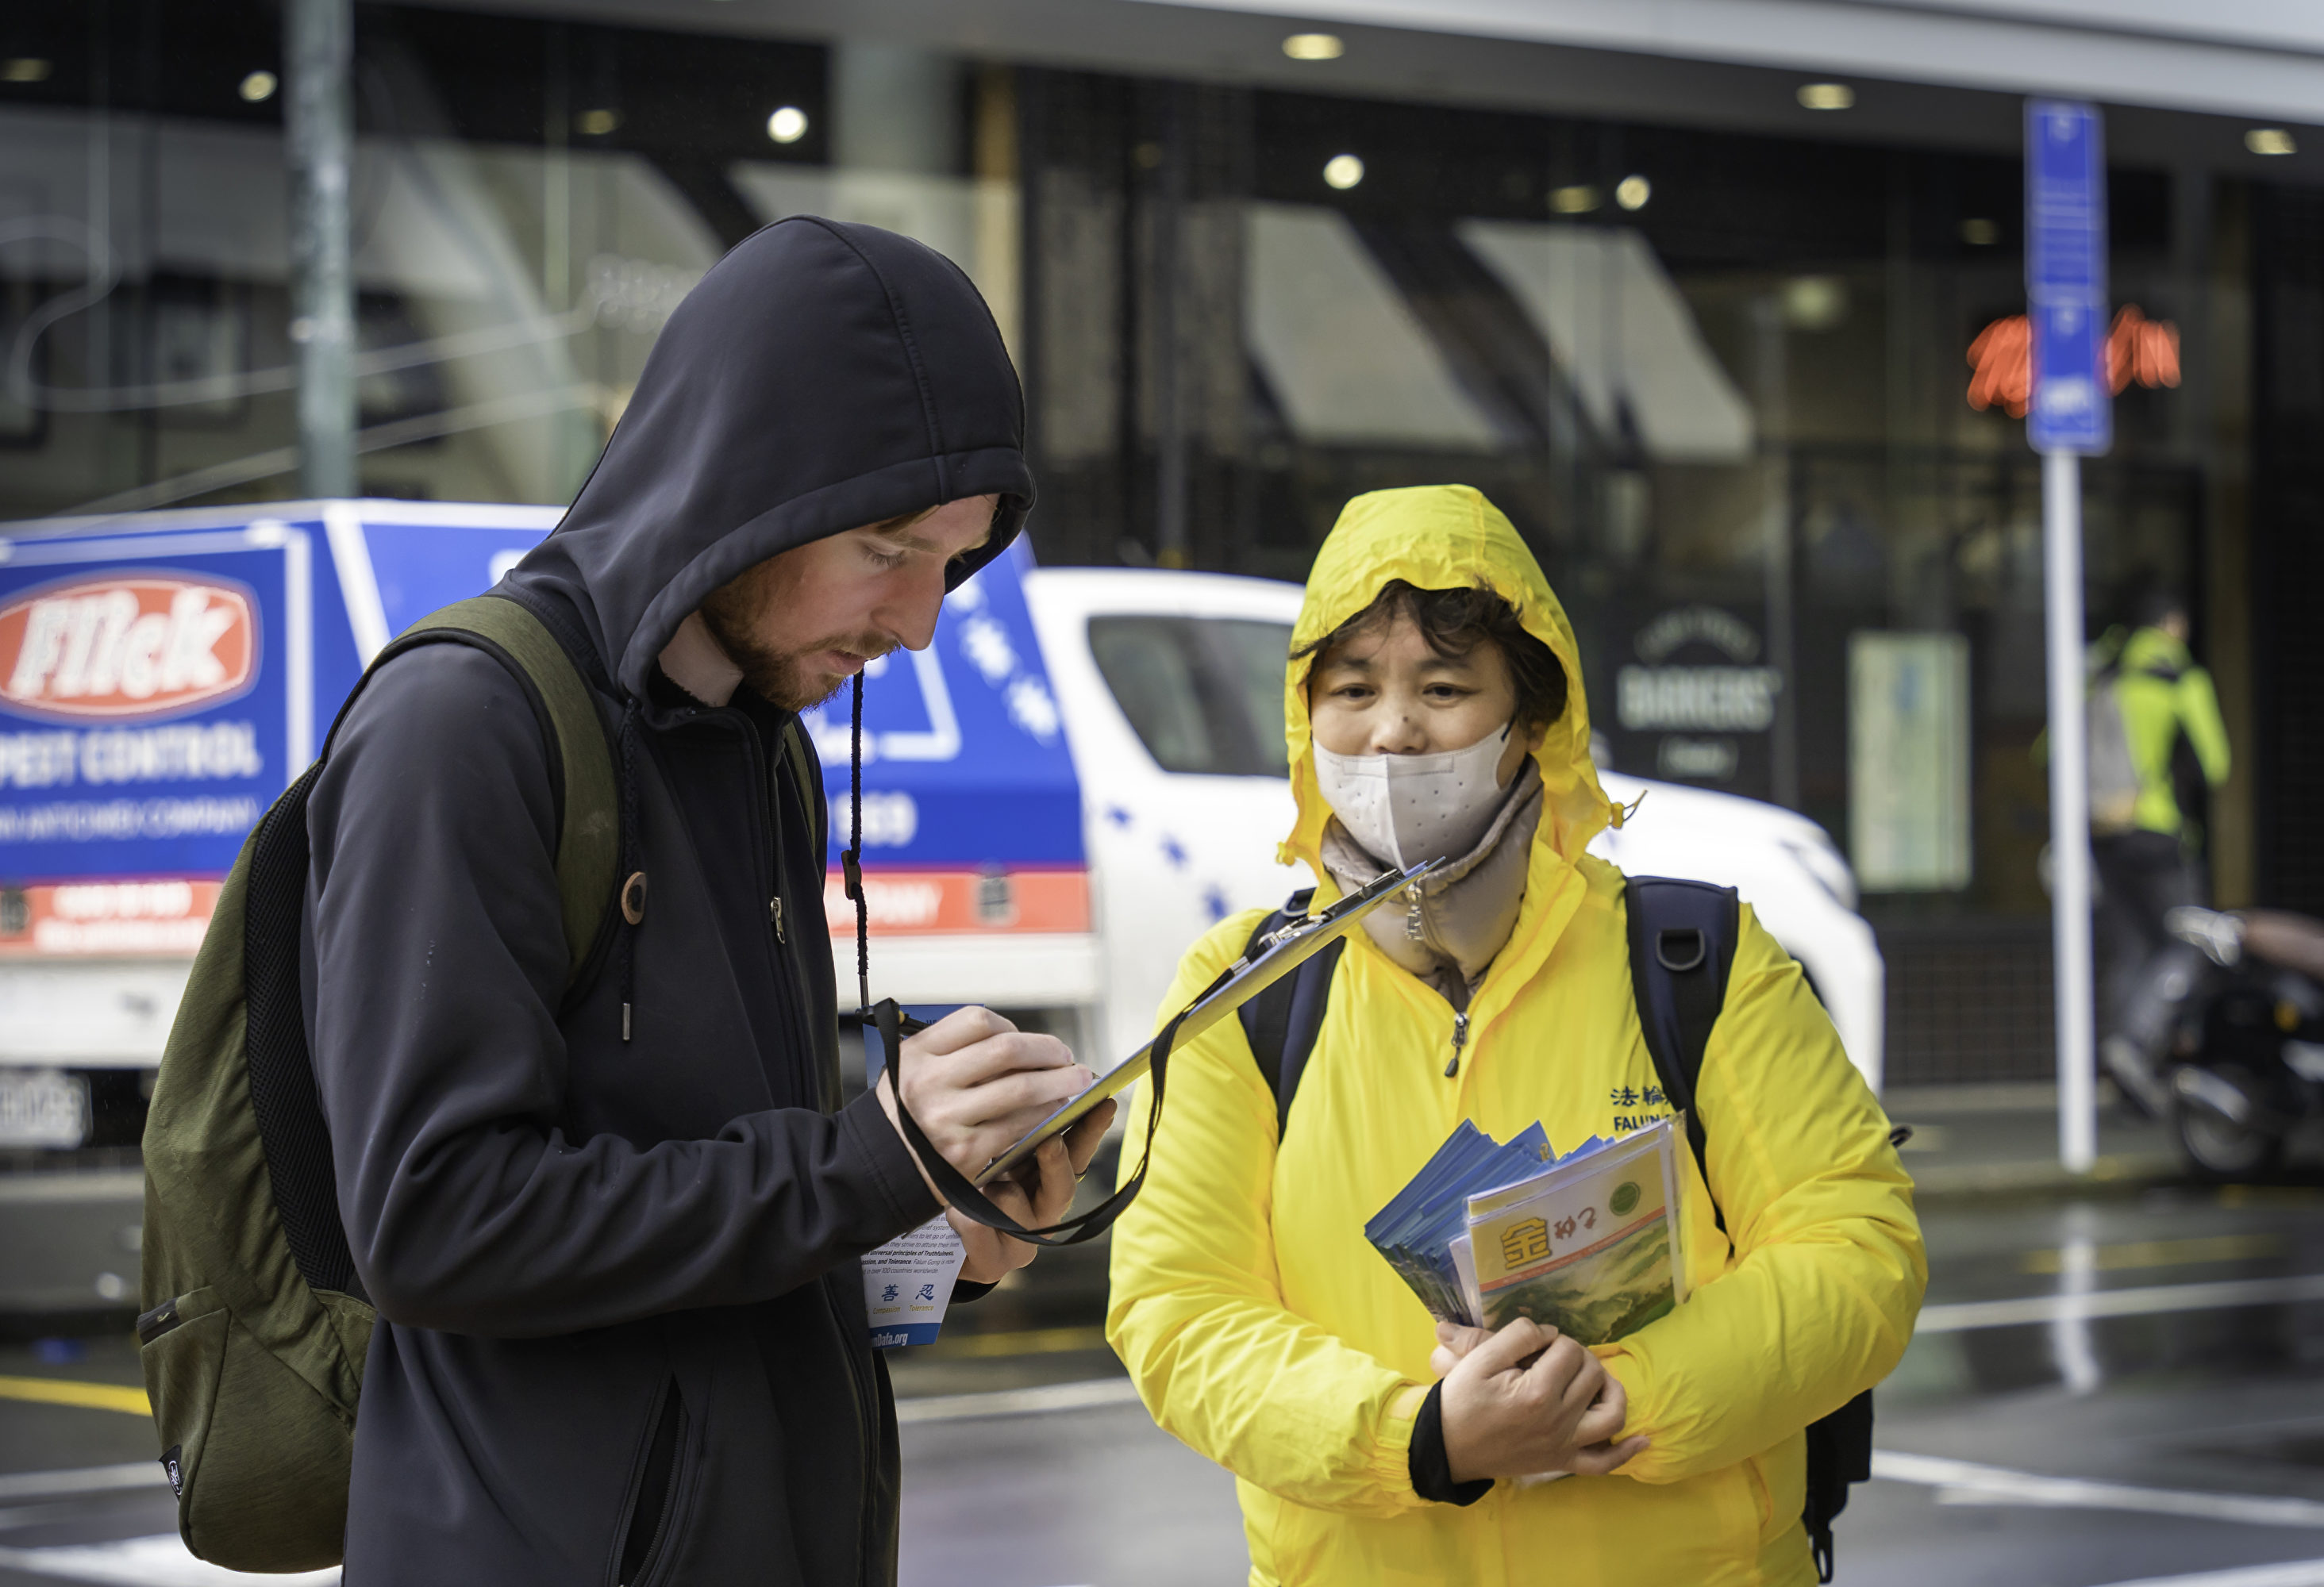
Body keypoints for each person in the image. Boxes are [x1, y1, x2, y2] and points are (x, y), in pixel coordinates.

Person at [302, 218, 1110, 1586]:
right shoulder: (463, 725)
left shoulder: (765, 739)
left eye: (952, 563)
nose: (919, 621)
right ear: (750, 493)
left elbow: (723, 1187)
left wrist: (927, 1226)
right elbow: (433, 1225)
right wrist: (862, 1162)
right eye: (888, 549)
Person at [1106, 485, 1925, 1585]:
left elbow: (1858, 1250)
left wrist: (1623, 1396)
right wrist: (1424, 1438)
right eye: (1353, 689)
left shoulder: (1697, 960)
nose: (1394, 729)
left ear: (1531, 721)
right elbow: (1177, 1310)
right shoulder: (1242, 994)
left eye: (1443, 689)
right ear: (1308, 722)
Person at [2090, 588, 2233, 1107]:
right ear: (2173, 625)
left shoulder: (2102, 676)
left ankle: (2121, 1073)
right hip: (2157, 829)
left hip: (2103, 832)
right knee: (2186, 944)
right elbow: (2216, 763)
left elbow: (2050, 752)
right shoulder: (2180, 676)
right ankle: (2133, 1043)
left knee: (2132, 950)